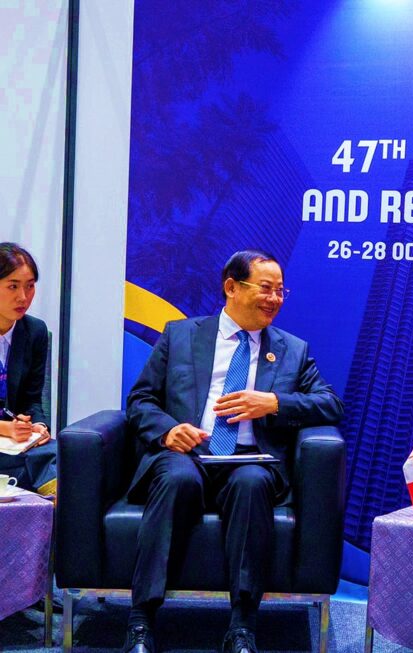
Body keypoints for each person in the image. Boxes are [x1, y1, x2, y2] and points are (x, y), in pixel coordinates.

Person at [122, 250, 344, 653]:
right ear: (231, 287)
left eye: (280, 291)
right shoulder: (181, 335)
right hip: (187, 454)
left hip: (249, 459)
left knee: (252, 484)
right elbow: (140, 400)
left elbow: (331, 404)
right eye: (266, 288)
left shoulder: (292, 350)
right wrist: (168, 430)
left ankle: (242, 627)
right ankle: (141, 621)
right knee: (176, 479)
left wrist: (274, 403)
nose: (274, 299)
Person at [0, 243, 56, 496]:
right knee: (45, 464)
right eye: (13, 286)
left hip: (14, 445)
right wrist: (6, 428)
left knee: (62, 455)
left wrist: (38, 426)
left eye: (30, 286)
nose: (23, 297)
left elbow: (32, 399)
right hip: (8, 440)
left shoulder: (34, 331)